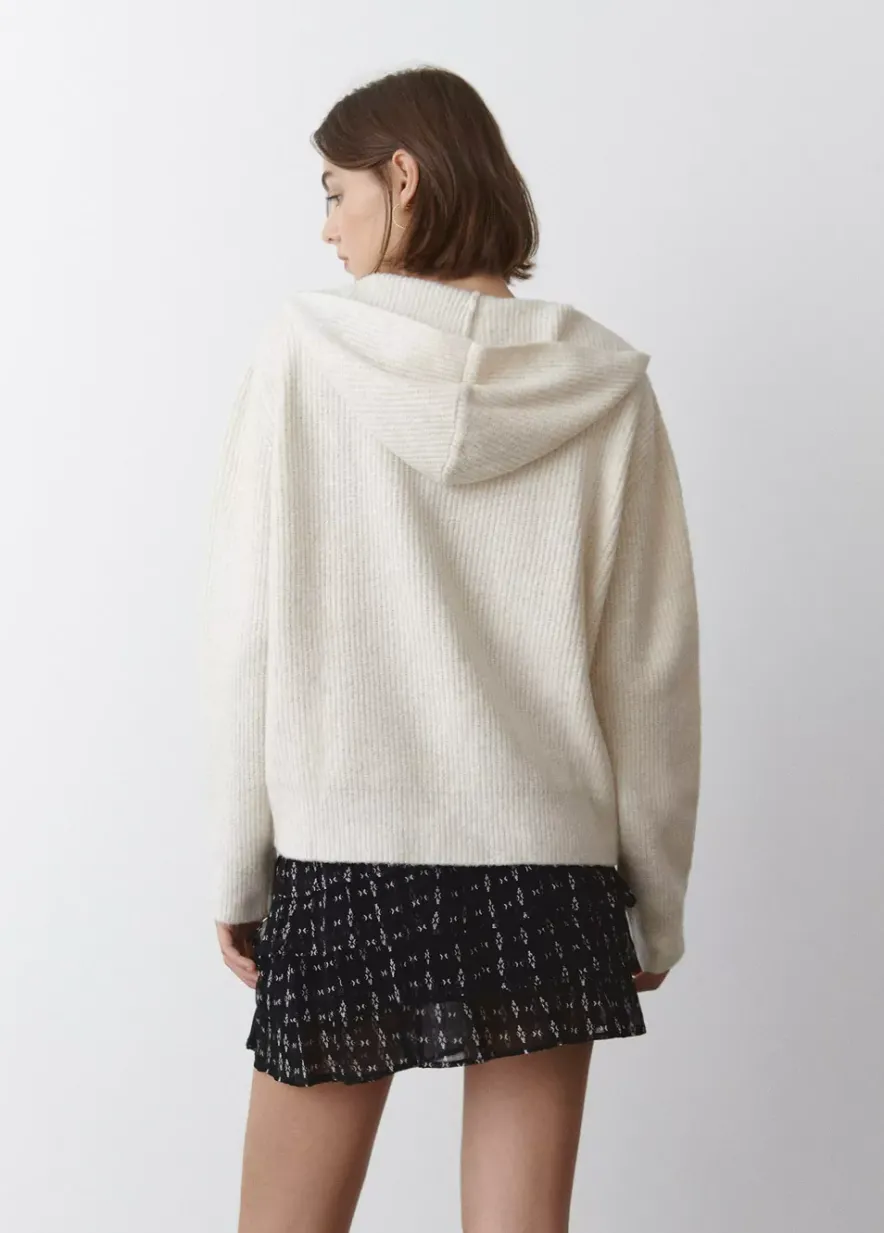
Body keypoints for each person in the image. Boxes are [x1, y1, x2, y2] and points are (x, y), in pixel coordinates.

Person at [200, 64, 701, 1233]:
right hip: (546, 869)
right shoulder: (604, 387)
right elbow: (647, 672)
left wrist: (235, 869)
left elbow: (244, 636)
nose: (327, 228)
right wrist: (656, 902)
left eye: (335, 194)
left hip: (346, 855)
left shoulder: (302, 356)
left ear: (403, 177)